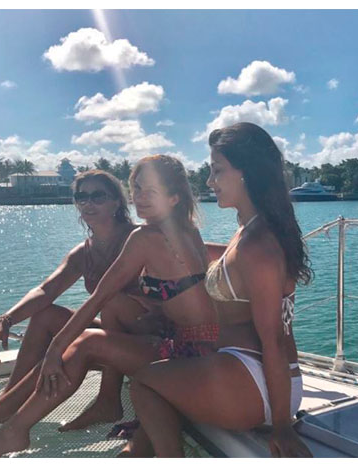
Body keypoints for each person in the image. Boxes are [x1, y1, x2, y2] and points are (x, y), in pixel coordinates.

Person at [0, 155, 218, 457]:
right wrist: (9, 319)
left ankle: (12, 430)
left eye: (150, 191)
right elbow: (51, 290)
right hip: (197, 345)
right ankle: (8, 408)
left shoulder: (143, 237)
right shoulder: (186, 229)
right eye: (137, 188)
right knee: (71, 319)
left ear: (173, 198)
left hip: (183, 351)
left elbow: (100, 297)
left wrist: (54, 351)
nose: (140, 197)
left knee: (89, 337)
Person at [127, 122, 313, 457]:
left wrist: (282, 427)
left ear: (246, 173)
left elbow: (272, 339)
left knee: (143, 381)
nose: (210, 182)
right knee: (165, 380)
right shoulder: (252, 230)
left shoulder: (257, 244)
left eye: (217, 170)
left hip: (257, 384)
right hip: (263, 380)